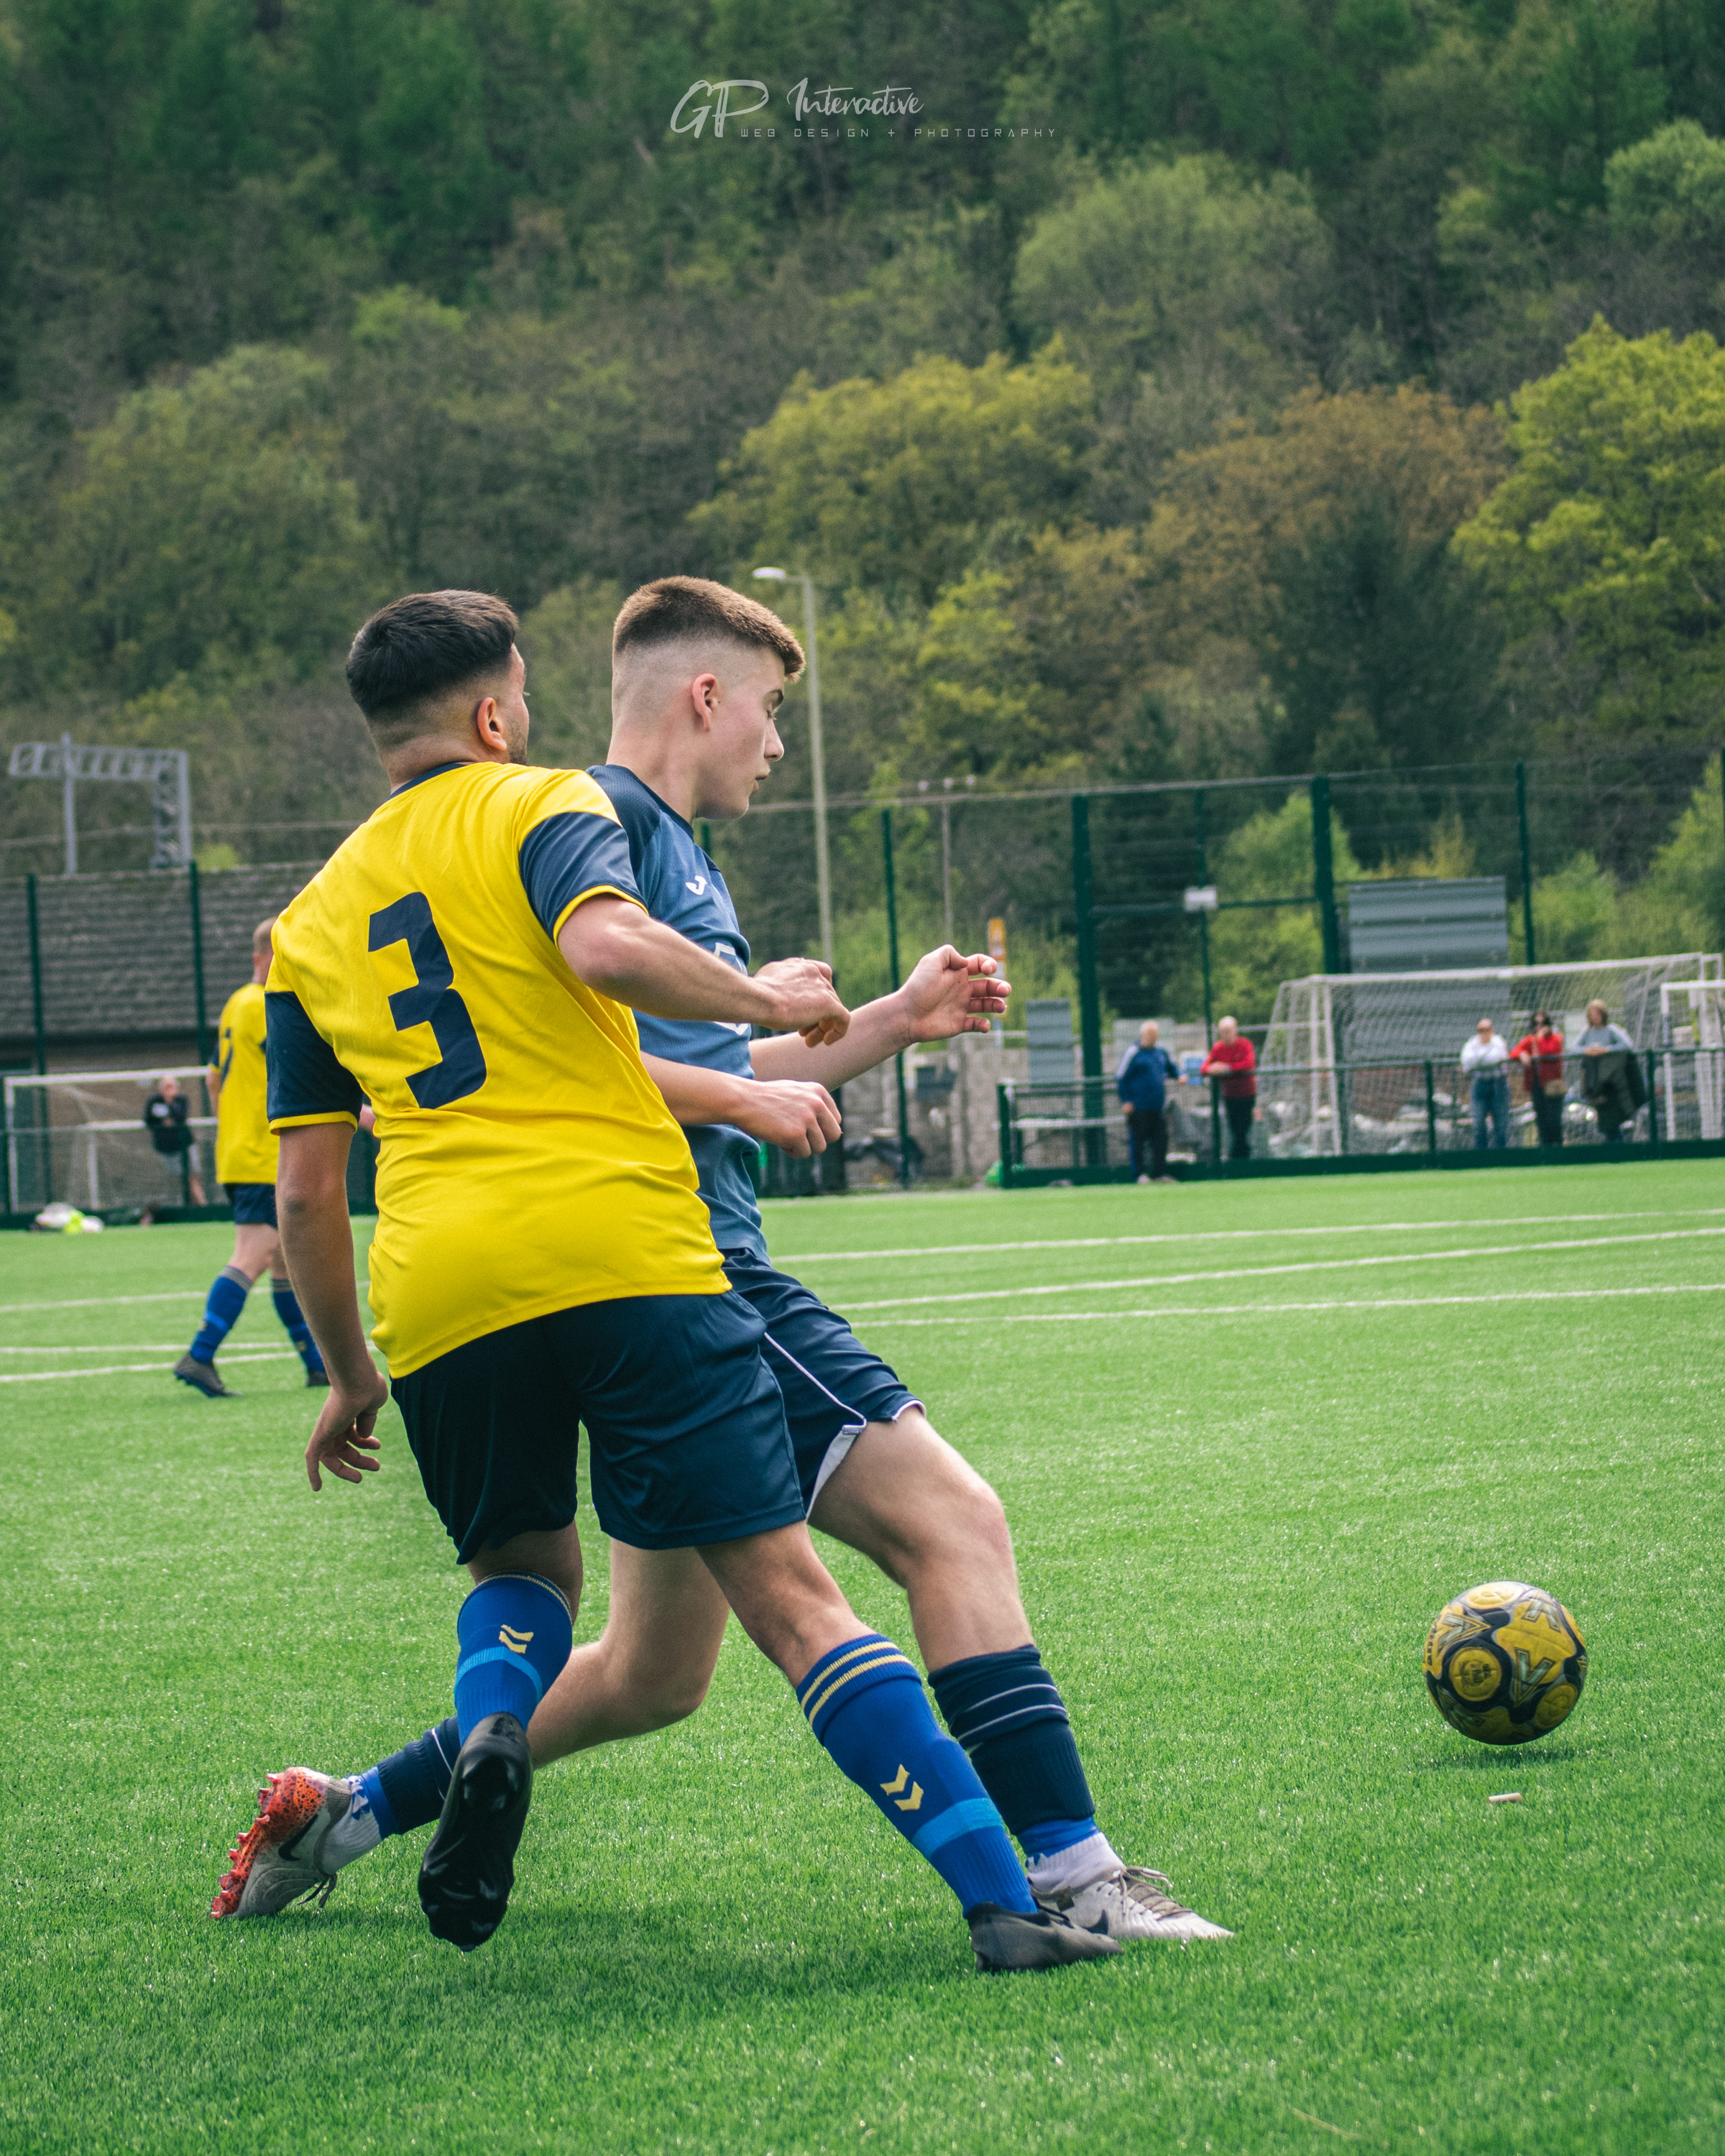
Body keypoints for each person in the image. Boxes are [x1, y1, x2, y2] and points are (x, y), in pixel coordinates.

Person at [213, 586, 1121, 1976]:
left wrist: (347, 1373)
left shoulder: (318, 920)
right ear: (500, 709)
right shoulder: (561, 806)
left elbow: (307, 1191)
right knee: (875, 1562)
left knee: (634, 1661)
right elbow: (597, 982)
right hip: (649, 1255)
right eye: (771, 707)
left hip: (448, 1284)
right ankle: (1046, 1889)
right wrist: (765, 1015)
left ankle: (355, 1811)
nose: (776, 740)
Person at [172, 920, 327, 1397]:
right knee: (254, 1255)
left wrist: (232, 1124)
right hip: (263, 1153)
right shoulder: (265, 1005)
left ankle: (318, 1365)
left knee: (283, 1262)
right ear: (264, 957)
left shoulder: (235, 1005)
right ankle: (200, 1355)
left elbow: (214, 1080)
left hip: (238, 1150)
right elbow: (303, 1064)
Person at [1116, 1021, 1177, 1183]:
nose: (1154, 1037)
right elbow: (1121, 1078)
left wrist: (1180, 1075)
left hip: (1157, 1107)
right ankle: (1140, 1174)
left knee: (1160, 1141)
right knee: (1138, 1142)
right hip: (1138, 1107)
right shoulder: (1134, 1052)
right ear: (1144, 1035)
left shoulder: (1161, 1052)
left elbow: (1172, 1068)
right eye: (1151, 1034)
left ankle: (1159, 1173)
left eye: (1155, 1034)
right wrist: (1126, 1100)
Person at [1578, 1000, 1642, 1141]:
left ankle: (1618, 1146)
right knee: (1605, 1119)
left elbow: (1627, 1045)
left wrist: (1605, 1049)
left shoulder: (1611, 1030)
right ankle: (1614, 1145)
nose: (1595, 1017)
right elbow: (1574, 1049)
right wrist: (1589, 1050)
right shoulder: (1587, 1033)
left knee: (1613, 1118)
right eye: (1592, 1014)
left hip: (1611, 1082)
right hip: (1596, 1083)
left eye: (1597, 1014)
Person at [142, 1073, 206, 1204]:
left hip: (185, 1145)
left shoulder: (181, 1100)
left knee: (191, 1177)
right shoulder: (154, 1102)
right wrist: (162, 1123)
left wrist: (170, 1106)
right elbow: (149, 1120)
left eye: (172, 1087)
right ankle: (184, 1205)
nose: (169, 1090)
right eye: (166, 1087)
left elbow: (180, 1117)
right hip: (167, 1148)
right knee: (177, 1179)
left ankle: (201, 1205)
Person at [1200, 1016, 1256, 1159]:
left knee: (1242, 1128)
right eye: (1223, 1032)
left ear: (1235, 1031)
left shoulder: (1245, 1045)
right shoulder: (1218, 1048)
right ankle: (1239, 1159)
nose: (1226, 1035)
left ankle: (1239, 1159)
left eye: (1229, 1031)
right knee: (1234, 1127)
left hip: (1246, 1094)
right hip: (1230, 1095)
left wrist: (1227, 1069)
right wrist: (1213, 1069)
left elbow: (1248, 1064)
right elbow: (1204, 1068)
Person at [1509, 1010, 1566, 1148]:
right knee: (1541, 1118)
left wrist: (1540, 1038)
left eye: (1543, 1023)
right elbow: (1513, 1052)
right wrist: (1522, 1054)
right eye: (1536, 1024)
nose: (1539, 1027)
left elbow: (1548, 1051)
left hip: (1552, 1084)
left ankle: (1558, 1147)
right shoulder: (1530, 1040)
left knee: (1554, 1119)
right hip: (1537, 1084)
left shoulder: (1556, 1038)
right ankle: (1545, 1148)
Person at [1460, 1016, 1511, 1150]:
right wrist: (1483, 1058)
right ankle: (1481, 1156)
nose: (1484, 1033)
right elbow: (1466, 1060)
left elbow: (1494, 1058)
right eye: (1481, 1030)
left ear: (1492, 1030)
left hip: (1498, 1085)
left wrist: (1477, 1060)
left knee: (1500, 1124)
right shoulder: (1471, 1044)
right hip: (1479, 1085)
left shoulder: (1498, 1042)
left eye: (1487, 1030)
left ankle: (1501, 1156)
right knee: (1478, 1124)